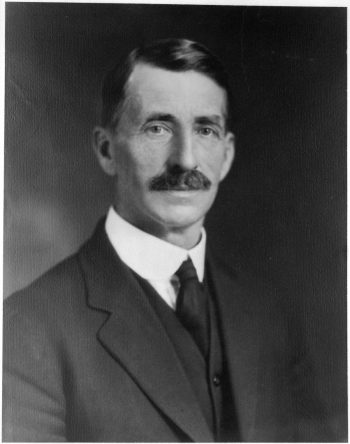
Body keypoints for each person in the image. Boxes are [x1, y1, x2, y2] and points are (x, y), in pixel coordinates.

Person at [3, 38, 336, 442]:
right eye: (158, 127)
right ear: (106, 150)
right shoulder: (26, 326)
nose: (185, 160)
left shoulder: (267, 312)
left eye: (206, 129)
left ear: (227, 155)